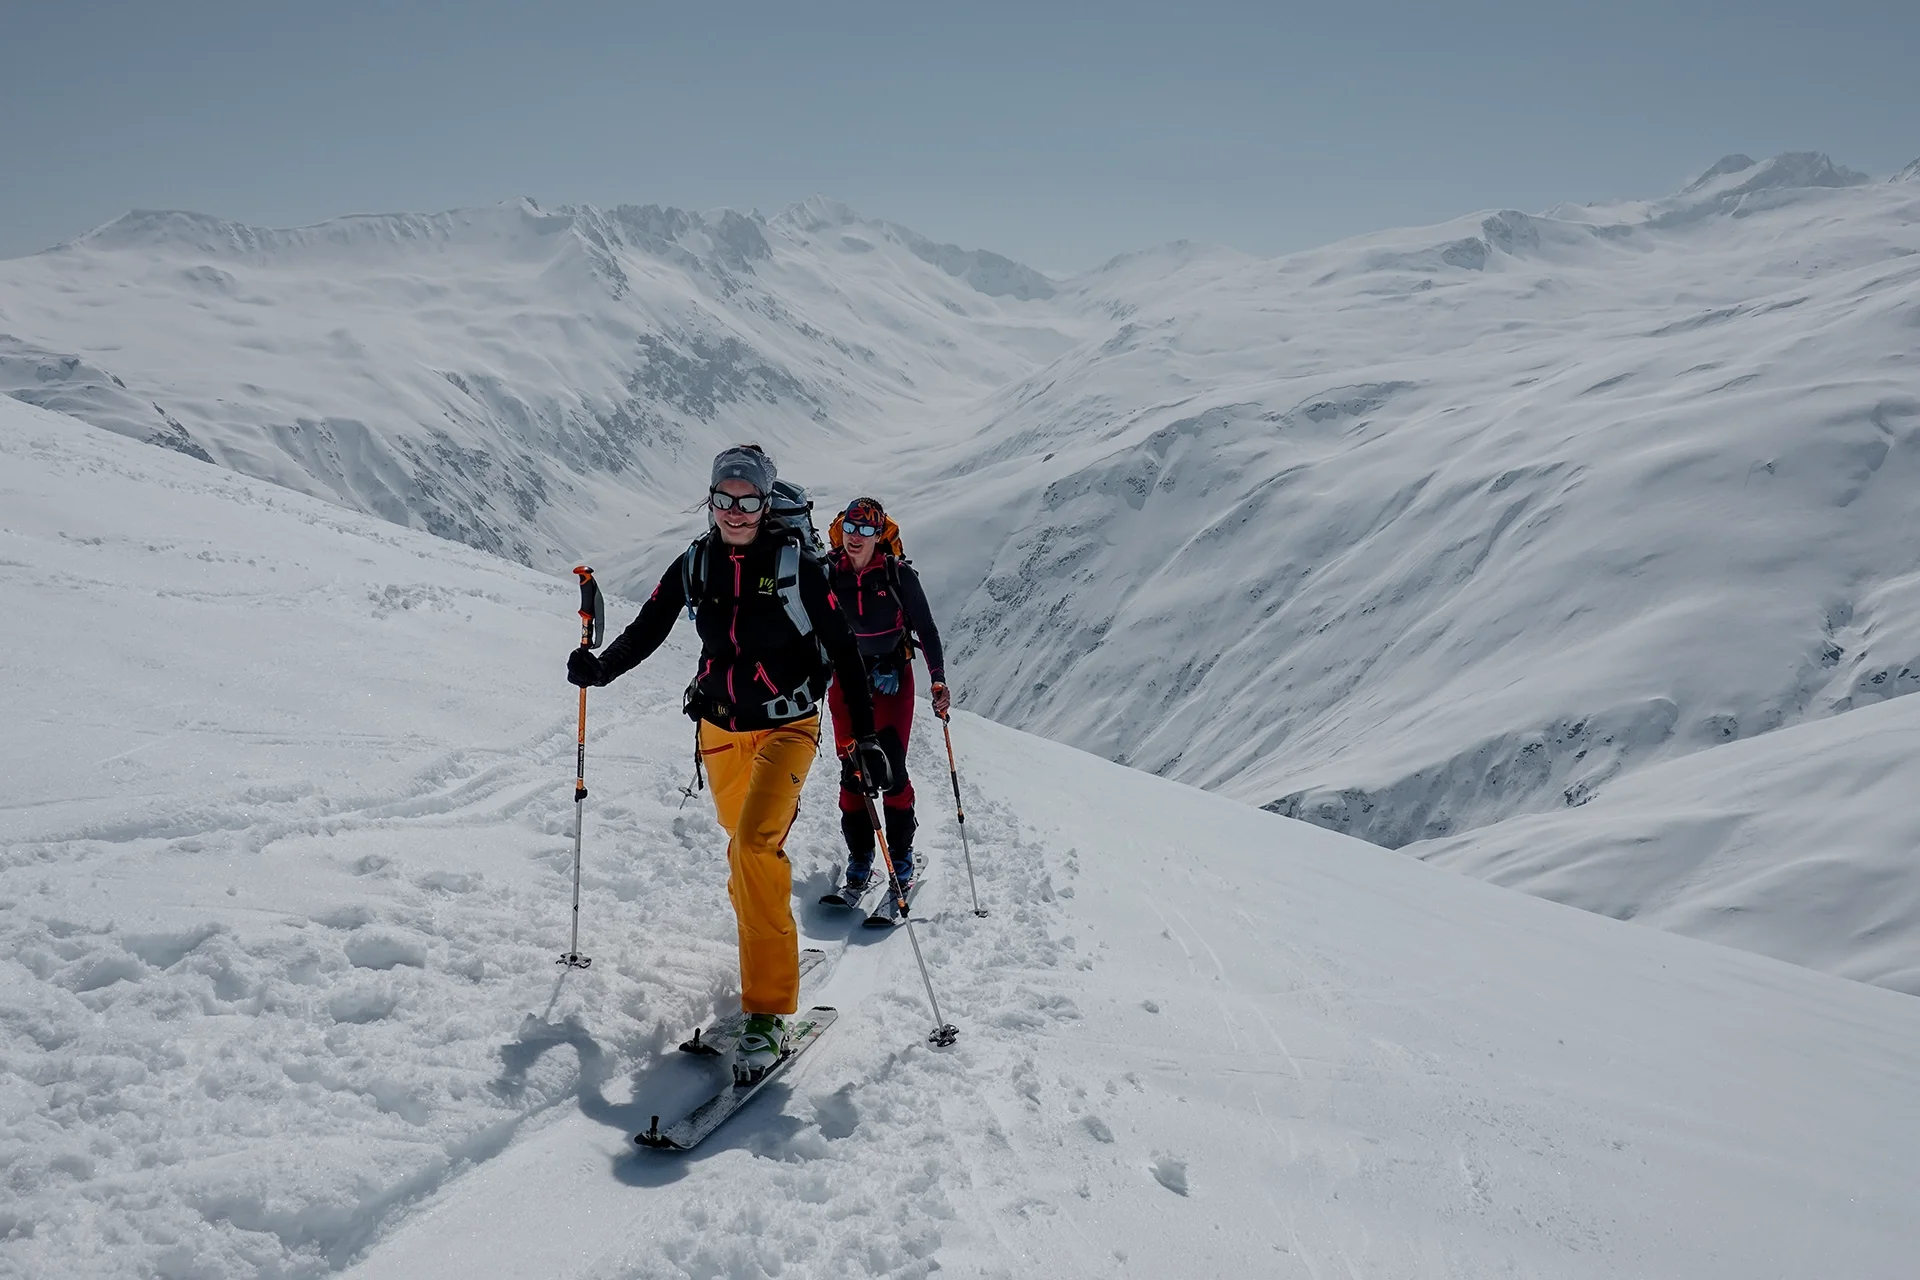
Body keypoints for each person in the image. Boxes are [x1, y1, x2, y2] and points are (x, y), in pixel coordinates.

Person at [566, 445, 889, 1082]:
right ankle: (765, 954)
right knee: (741, 853)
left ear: (766, 505)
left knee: (754, 847)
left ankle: (767, 1013)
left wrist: (865, 739)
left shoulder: (799, 566)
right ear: (710, 500)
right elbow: (650, 625)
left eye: (747, 500)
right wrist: (602, 669)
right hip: (718, 729)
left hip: (788, 728)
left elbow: (844, 652)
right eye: (724, 498)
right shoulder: (696, 563)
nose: (735, 512)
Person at [824, 495, 950, 898]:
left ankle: (900, 858)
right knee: (852, 772)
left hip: (893, 676)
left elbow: (926, 630)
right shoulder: (828, 575)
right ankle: (860, 860)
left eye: (866, 530)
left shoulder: (898, 577)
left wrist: (937, 680)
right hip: (847, 680)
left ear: (880, 535)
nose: (856, 537)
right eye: (850, 528)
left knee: (891, 768)